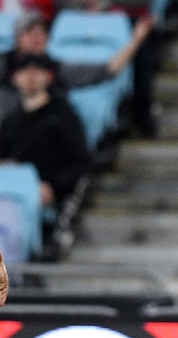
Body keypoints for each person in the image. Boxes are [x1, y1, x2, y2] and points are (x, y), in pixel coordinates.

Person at [0, 51, 91, 259]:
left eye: (37, 70)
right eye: (24, 70)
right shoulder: (9, 122)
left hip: (49, 196)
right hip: (15, 196)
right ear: (15, 78)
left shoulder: (63, 115)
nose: (30, 76)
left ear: (48, 76)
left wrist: (54, 187)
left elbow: (81, 161)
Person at [0, 10, 155, 129]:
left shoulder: (57, 69)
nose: (36, 38)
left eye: (40, 33)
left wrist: (136, 40)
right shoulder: (3, 64)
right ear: (17, 38)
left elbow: (107, 70)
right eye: (29, 33)